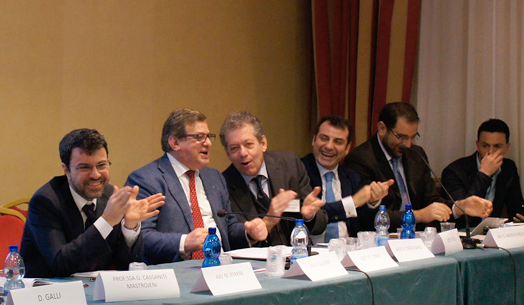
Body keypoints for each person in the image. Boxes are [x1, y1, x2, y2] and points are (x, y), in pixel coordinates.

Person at [125, 109, 268, 265]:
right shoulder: (147, 179)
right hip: (177, 271)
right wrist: (184, 242)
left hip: (221, 268)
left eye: (208, 137)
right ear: (175, 143)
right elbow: (140, 237)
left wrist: (248, 232)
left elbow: (228, 227)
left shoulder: (214, 177)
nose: (208, 143)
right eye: (199, 137)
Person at [21, 129, 165, 277]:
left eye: (101, 165)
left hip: (96, 288)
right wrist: (106, 221)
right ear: (66, 170)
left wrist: (130, 227)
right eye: (85, 167)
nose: (95, 175)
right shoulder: (45, 201)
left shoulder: (110, 195)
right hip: (50, 288)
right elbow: (60, 264)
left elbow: (127, 264)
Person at [344, 102, 492, 230]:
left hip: (418, 238)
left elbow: (431, 199)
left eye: (413, 137)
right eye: (401, 137)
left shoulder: (416, 154)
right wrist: (419, 215)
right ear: (382, 129)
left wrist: (459, 207)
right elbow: (366, 216)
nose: (408, 145)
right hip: (381, 240)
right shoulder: (360, 159)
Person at [219, 111, 327, 246]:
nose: (243, 153)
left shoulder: (290, 165)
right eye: (234, 148)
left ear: (263, 143)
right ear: (228, 153)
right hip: (256, 258)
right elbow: (232, 240)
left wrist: (310, 216)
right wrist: (265, 223)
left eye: (248, 144)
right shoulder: (223, 184)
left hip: (298, 253)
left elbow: (320, 225)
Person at [300, 116, 393, 242]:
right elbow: (312, 214)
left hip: (347, 249)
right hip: (310, 251)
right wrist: (353, 202)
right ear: (314, 140)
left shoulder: (351, 177)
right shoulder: (298, 172)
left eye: (338, 142)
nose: (329, 146)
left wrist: (372, 201)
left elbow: (365, 225)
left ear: (347, 149)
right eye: (324, 138)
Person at [441, 118, 524, 226]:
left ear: (507, 148)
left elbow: (515, 209)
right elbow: (465, 215)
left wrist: (523, 216)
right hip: (462, 231)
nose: (490, 152)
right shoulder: (454, 171)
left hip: (493, 231)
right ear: (477, 145)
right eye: (485, 146)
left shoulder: (508, 168)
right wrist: (484, 174)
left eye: (497, 146)